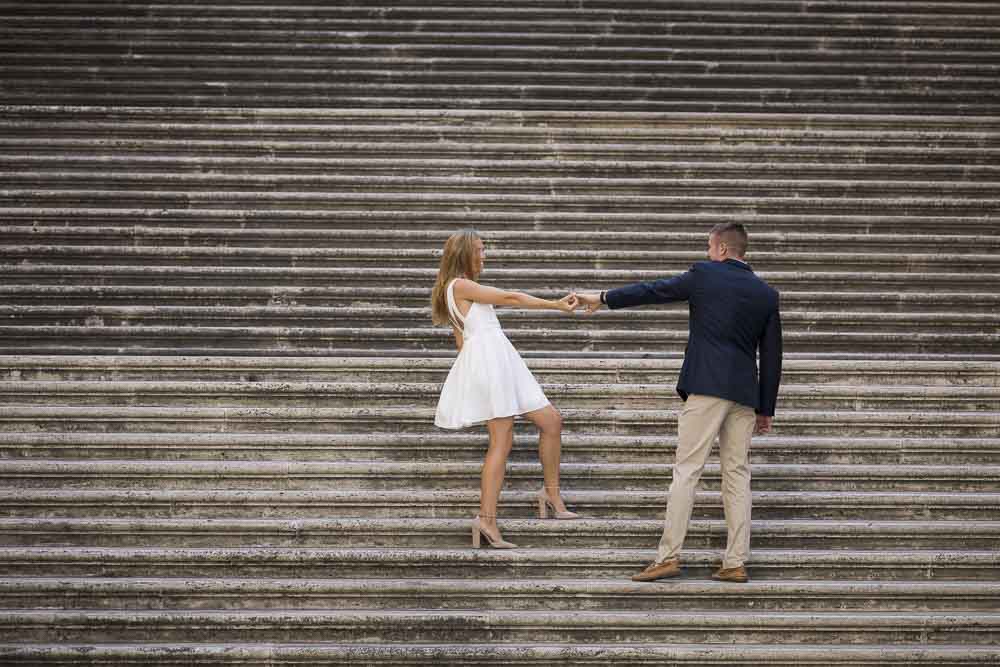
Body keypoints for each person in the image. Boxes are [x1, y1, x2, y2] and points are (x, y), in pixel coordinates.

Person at [574, 223, 781, 583]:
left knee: (687, 471)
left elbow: (653, 290)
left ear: (719, 249)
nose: (706, 253)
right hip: (745, 395)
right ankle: (735, 562)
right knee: (737, 476)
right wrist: (766, 407)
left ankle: (668, 556)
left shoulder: (704, 274)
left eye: (708, 247)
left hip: (706, 387)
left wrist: (603, 297)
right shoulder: (765, 293)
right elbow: (773, 356)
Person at [432, 229, 581, 549]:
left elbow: (461, 342)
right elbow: (510, 298)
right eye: (480, 250)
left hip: (499, 363)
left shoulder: (454, 288)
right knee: (501, 441)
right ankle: (486, 519)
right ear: (464, 254)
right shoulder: (460, 284)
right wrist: (555, 305)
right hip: (493, 364)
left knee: (551, 421)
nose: (484, 255)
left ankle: (551, 495)